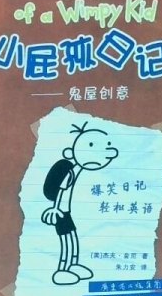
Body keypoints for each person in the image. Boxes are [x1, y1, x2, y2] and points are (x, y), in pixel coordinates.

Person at [42, 122, 118, 285]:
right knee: (66, 241)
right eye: (91, 146)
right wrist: (55, 209)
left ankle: (73, 265)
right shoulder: (69, 173)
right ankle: (62, 269)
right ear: (70, 152)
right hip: (61, 213)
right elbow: (60, 192)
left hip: (66, 212)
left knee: (73, 238)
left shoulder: (76, 171)